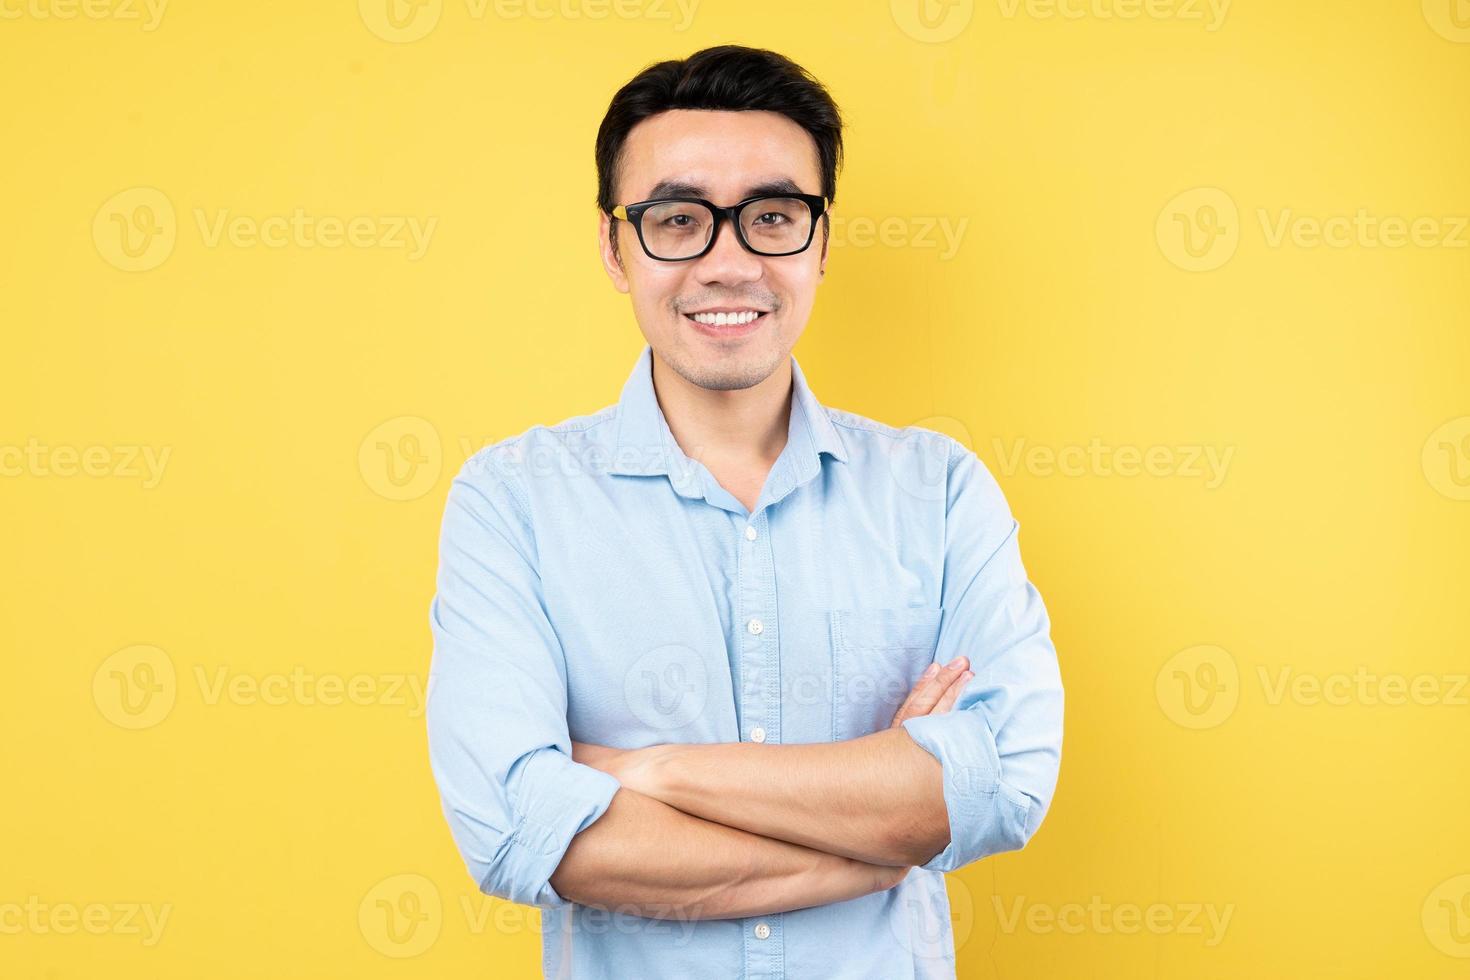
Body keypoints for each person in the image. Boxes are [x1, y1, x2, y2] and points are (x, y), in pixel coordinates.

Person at [426, 44, 1064, 979]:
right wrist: (885, 816)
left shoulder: (939, 492)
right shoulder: (511, 501)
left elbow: (1000, 787)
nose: (728, 265)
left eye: (773, 216)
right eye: (677, 220)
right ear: (615, 247)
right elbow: (517, 828)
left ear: (821, 241)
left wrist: (646, 772)